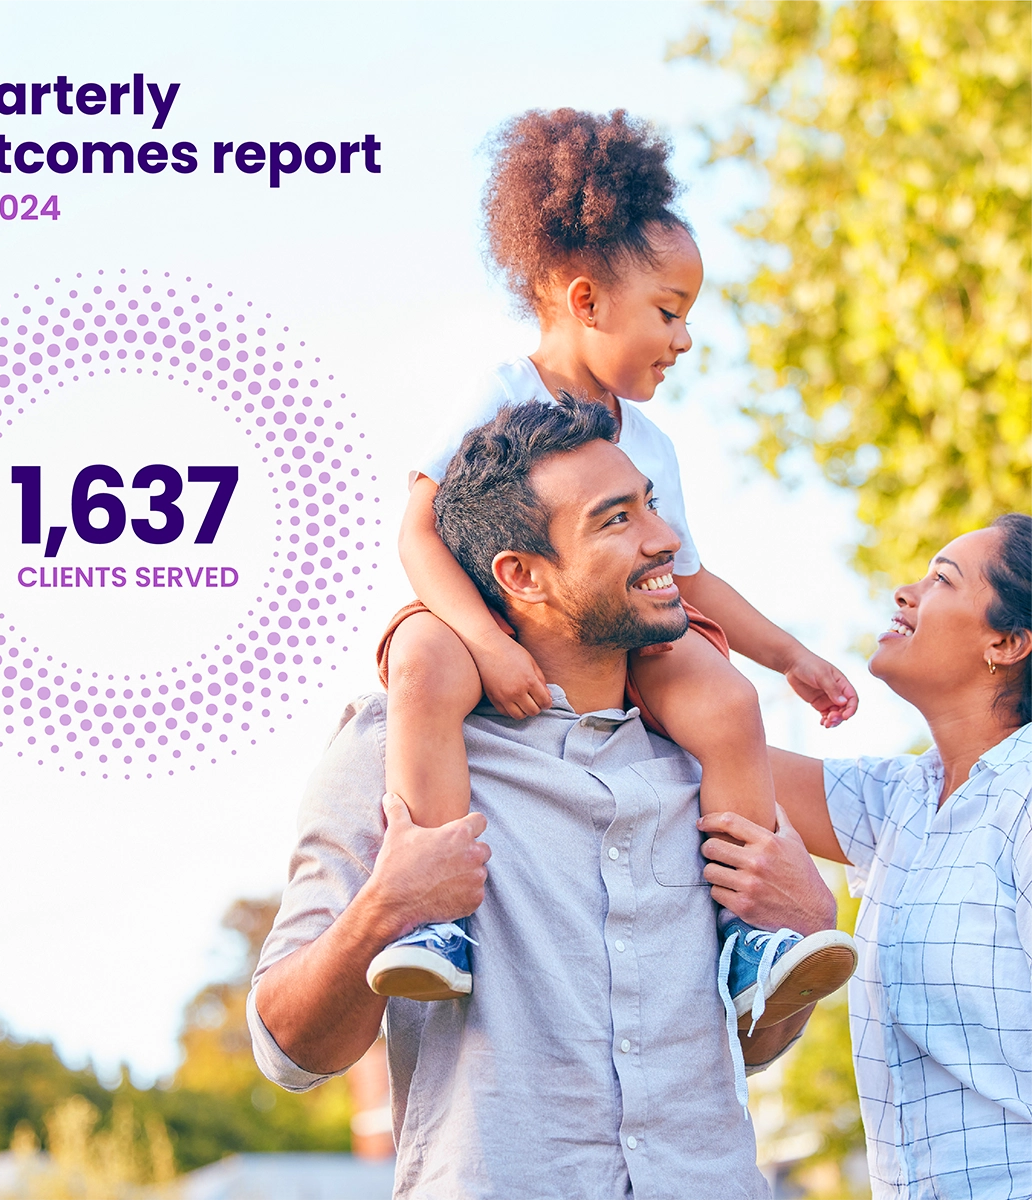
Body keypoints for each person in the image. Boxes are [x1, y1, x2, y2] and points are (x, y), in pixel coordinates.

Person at [249, 398, 842, 1198]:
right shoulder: (397, 748)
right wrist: (385, 911)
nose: (664, 540)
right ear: (521, 575)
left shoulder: (709, 749)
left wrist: (799, 923)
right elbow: (288, 1049)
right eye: (615, 520)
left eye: (651, 507)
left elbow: (757, 1040)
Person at [369, 108, 858, 1021]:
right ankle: (431, 917)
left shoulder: (652, 444)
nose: (681, 339)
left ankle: (748, 936)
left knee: (726, 701)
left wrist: (788, 656)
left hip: (617, 630)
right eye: (667, 313)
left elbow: (694, 576)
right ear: (585, 300)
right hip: (499, 615)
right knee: (423, 665)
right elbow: (419, 534)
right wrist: (486, 639)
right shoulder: (501, 392)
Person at [706, 514, 1032, 1197]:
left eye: (941, 579)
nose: (905, 592)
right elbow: (709, 742)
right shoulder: (903, 799)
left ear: (1005, 642)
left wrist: (814, 919)